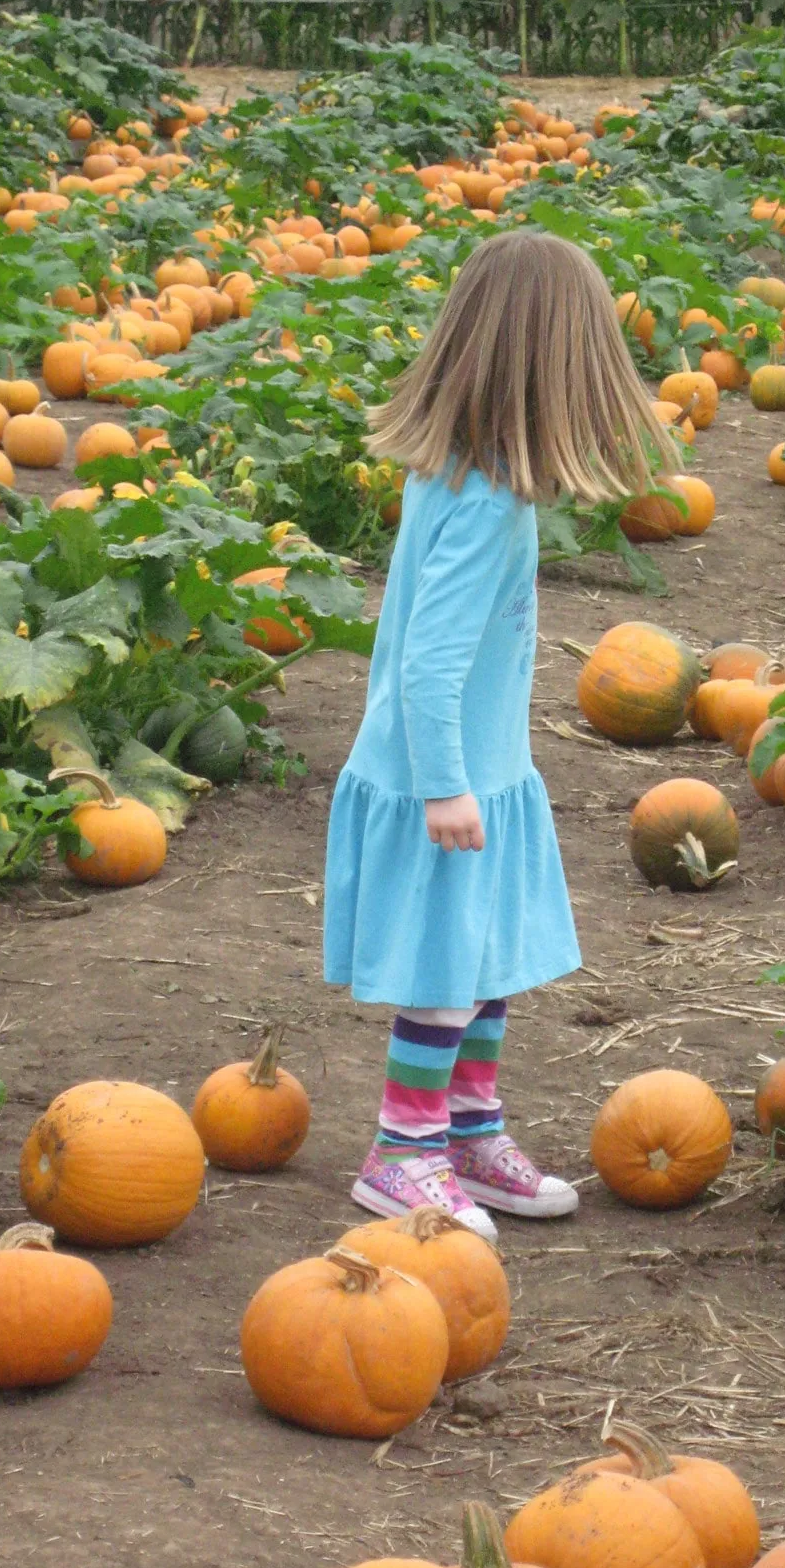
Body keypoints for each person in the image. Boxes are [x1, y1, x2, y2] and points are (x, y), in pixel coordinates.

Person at [323, 230, 666, 1239]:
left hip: (481, 772)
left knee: (485, 967)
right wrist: (445, 786)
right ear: (553, 374)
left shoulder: (463, 479)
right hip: (447, 780)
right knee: (445, 976)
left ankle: (469, 1128)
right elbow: (428, 665)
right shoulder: (485, 507)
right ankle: (404, 1146)